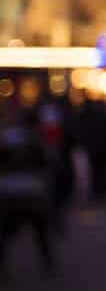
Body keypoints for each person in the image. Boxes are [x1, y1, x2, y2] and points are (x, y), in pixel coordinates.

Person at [0, 116, 56, 275]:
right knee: (39, 229)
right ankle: (47, 263)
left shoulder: (6, 137)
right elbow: (46, 163)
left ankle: (3, 265)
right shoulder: (35, 139)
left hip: (8, 189)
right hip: (31, 190)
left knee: (6, 231)